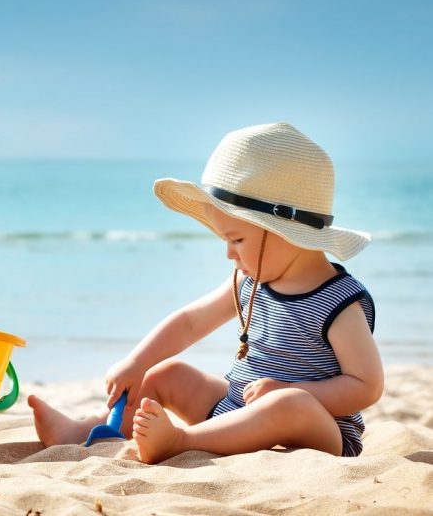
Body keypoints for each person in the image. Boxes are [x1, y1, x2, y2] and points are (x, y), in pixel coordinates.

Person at [28, 122, 383, 463]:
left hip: (316, 429)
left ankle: (183, 441)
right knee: (164, 374)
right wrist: (137, 363)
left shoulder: (338, 301)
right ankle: (87, 429)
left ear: (284, 231)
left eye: (237, 240)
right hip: (235, 409)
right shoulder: (250, 282)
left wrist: (297, 393)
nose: (229, 253)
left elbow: (367, 385)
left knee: (289, 404)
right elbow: (189, 323)